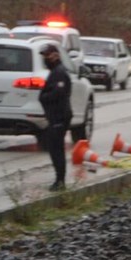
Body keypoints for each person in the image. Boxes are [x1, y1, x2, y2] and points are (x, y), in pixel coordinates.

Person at [38, 43, 73, 191]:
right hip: (55, 116)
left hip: (59, 116)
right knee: (54, 148)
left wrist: (44, 96)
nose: (45, 59)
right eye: (44, 56)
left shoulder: (59, 73)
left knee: (56, 149)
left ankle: (60, 181)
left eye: (47, 55)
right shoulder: (55, 72)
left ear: (55, 55)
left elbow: (59, 93)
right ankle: (59, 179)